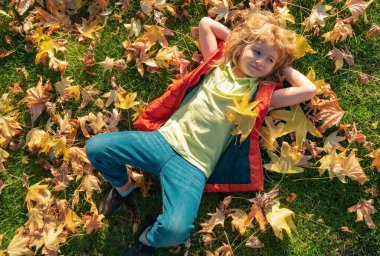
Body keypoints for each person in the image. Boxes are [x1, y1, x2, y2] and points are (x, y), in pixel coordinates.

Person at [85, 10, 316, 256]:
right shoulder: (217, 64)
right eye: (257, 51)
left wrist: (282, 66)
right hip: (162, 141)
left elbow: (308, 89)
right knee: (96, 148)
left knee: (176, 230)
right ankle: (124, 188)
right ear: (241, 46)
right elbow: (206, 24)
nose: (260, 61)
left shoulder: (260, 96)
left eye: (269, 60)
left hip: (193, 167)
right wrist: (240, 41)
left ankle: (146, 238)